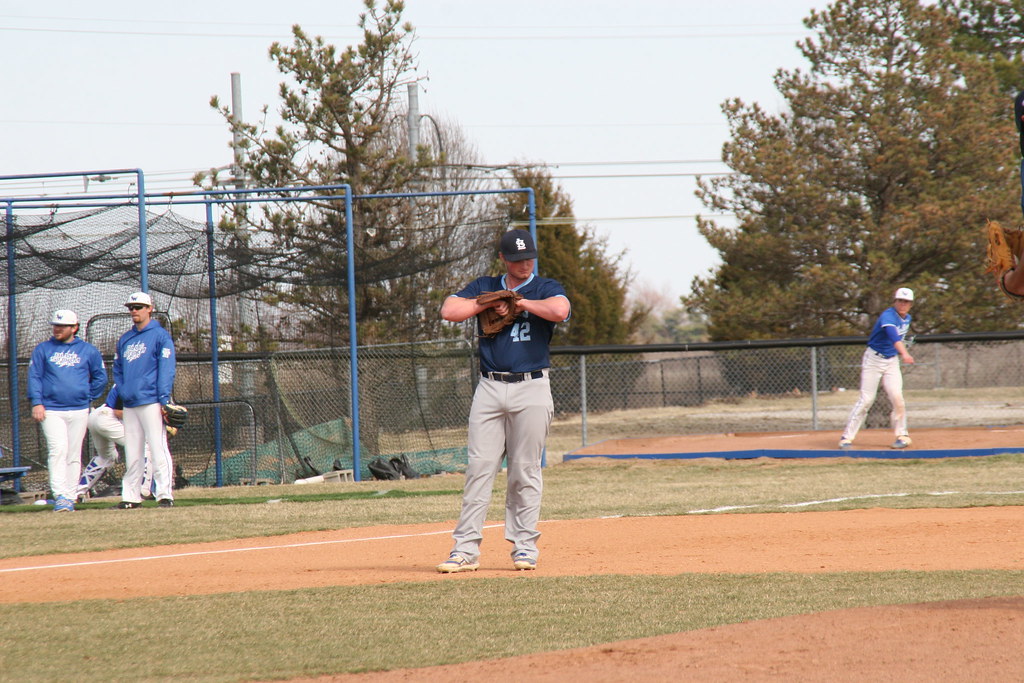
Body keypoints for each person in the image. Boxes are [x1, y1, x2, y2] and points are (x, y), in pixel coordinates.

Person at [436, 229, 571, 573]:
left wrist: (519, 302)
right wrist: (487, 302)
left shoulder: (544, 287)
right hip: (490, 387)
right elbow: (449, 311)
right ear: (503, 259)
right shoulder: (484, 285)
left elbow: (559, 310)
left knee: (525, 471)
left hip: (533, 386)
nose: (524, 264)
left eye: (529, 258)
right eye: (516, 259)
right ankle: (465, 550)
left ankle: (525, 548)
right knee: (479, 469)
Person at [26, 309, 108, 512]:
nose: (57, 329)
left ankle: (71, 496)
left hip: (79, 410)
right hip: (52, 410)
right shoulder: (43, 349)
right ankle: (60, 494)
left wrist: (87, 396)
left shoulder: (88, 350)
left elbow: (100, 378)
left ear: (74, 328)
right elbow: (34, 376)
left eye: (62, 326)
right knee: (58, 449)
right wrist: (37, 402)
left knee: (73, 453)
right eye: (55, 325)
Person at [112, 292, 176, 509]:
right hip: (130, 403)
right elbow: (118, 370)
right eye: (131, 307)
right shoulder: (125, 339)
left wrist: (164, 399)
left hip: (152, 401)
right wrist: (123, 391)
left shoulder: (160, 336)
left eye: (139, 306)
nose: (134, 311)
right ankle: (130, 496)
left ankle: (165, 494)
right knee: (133, 452)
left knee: (158, 448)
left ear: (150, 309)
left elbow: (166, 370)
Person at [838, 287, 915, 450]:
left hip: (891, 361)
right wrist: (905, 354)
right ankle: (846, 437)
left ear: (911, 304)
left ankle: (902, 435)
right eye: (900, 300)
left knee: (897, 397)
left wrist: (900, 353)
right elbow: (893, 335)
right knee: (866, 400)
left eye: (906, 302)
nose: (903, 304)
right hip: (874, 359)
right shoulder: (888, 315)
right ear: (895, 301)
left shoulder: (907, 318)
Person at [76, 384, 162, 500]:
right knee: (144, 447)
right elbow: (117, 411)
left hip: (96, 416)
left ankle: (77, 492)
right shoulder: (132, 381)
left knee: (106, 457)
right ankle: (143, 490)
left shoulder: (128, 379)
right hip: (108, 417)